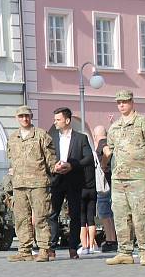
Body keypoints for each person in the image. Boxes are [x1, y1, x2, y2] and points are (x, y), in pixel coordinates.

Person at [6, 105, 57, 263]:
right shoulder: (13, 138)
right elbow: (11, 159)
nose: (24, 119)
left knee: (41, 217)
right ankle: (24, 250)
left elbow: (50, 158)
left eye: (27, 116)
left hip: (39, 183)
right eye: (21, 116)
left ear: (31, 117)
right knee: (21, 218)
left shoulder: (41, 135)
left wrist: (55, 169)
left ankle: (43, 249)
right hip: (19, 184)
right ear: (17, 118)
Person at [103, 90, 145, 266]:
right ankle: (124, 251)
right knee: (121, 216)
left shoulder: (142, 122)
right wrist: (105, 155)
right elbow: (109, 150)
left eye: (125, 102)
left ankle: (144, 251)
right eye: (119, 102)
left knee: (141, 215)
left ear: (132, 102)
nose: (121, 105)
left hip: (139, 177)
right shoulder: (114, 127)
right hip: (119, 178)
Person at [48, 107, 92, 260]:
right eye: (55, 120)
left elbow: (88, 158)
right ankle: (51, 247)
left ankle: (73, 247)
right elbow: (46, 157)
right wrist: (53, 166)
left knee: (75, 215)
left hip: (74, 180)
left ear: (67, 120)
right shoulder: (51, 137)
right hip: (57, 180)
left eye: (58, 120)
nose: (55, 123)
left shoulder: (81, 138)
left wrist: (72, 165)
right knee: (52, 213)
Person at [93, 125, 117, 252]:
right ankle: (113, 239)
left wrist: (103, 164)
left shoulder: (102, 143)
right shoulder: (107, 141)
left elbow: (108, 152)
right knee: (110, 213)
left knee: (104, 213)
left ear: (95, 135)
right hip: (110, 182)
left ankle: (110, 240)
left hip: (104, 184)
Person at [78, 137, 99, 255]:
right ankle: (92, 246)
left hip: (82, 190)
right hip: (93, 189)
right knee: (91, 218)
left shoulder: (80, 160)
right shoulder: (93, 157)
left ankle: (84, 246)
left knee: (82, 220)